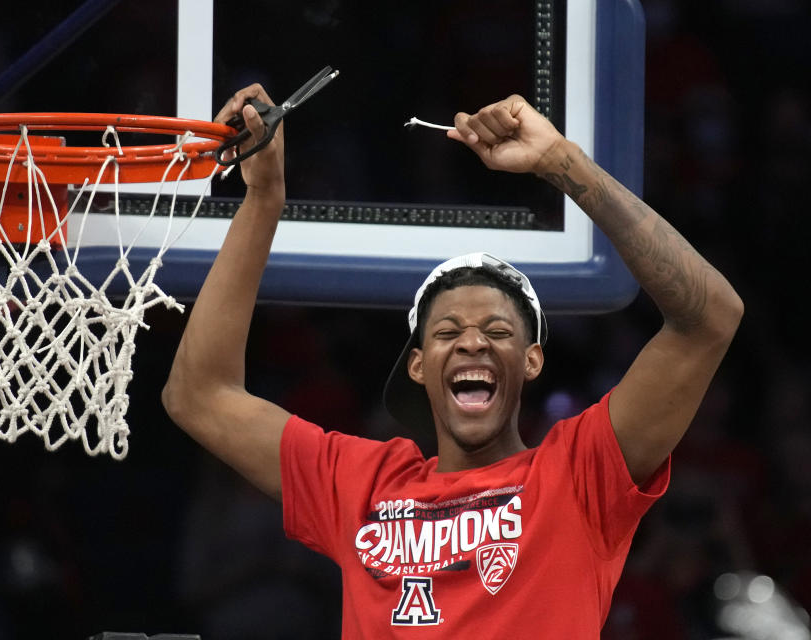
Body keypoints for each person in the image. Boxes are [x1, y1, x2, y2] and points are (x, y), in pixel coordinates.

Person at [163, 84, 743, 637]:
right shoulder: (362, 485)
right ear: (418, 365)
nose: (472, 343)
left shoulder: (577, 476)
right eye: (447, 332)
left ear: (533, 361)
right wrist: (264, 198)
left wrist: (564, 161)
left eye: (497, 330)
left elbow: (710, 317)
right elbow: (200, 394)